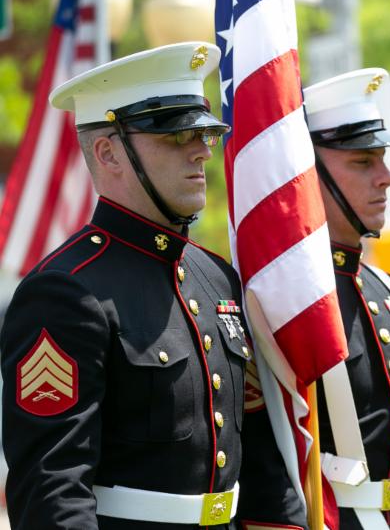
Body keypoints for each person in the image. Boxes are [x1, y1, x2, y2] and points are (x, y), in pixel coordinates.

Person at [0, 42, 301, 529]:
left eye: (203, 133)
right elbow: (51, 487)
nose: (202, 150)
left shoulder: (216, 276)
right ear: (108, 152)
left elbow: (263, 457)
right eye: (175, 136)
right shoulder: (66, 292)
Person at [246, 67, 390, 529]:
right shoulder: (279, 298)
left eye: (382, 159)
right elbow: (265, 457)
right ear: (305, 172)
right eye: (363, 162)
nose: (386, 178)